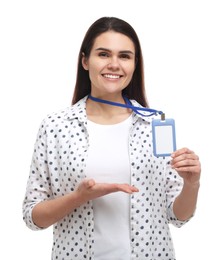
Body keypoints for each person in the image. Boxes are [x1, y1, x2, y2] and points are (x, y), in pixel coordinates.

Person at [22, 16, 201, 260]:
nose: (114, 64)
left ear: (135, 64)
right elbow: (32, 217)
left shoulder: (153, 125)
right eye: (104, 54)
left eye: (124, 56)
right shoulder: (55, 127)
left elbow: (177, 216)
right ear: (85, 61)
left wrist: (191, 185)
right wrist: (78, 198)